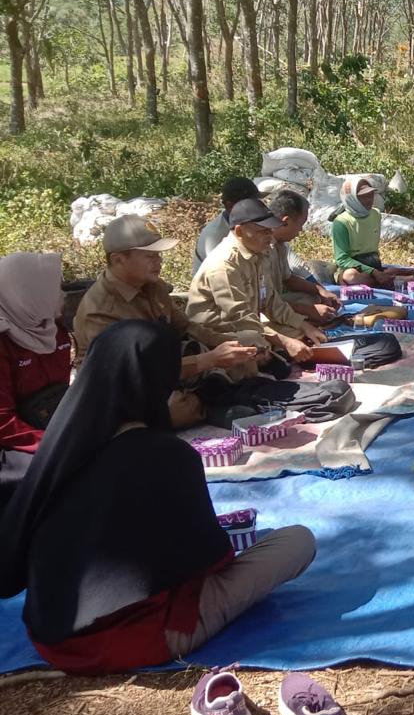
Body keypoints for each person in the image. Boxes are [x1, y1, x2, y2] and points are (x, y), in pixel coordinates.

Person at [0, 321, 315, 674]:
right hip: (135, 639)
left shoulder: (58, 449)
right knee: (297, 540)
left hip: (48, 636)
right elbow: (212, 562)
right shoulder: (169, 457)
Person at [74, 215, 260, 428]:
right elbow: (131, 373)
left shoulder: (153, 287)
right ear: (118, 260)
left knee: (242, 357)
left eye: (158, 255)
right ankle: (208, 403)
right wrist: (210, 360)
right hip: (123, 384)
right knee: (172, 409)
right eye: (150, 256)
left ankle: (206, 398)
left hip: (163, 367)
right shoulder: (100, 310)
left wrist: (232, 344)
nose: (159, 261)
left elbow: (187, 327)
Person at [186, 199, 328, 365]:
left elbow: (271, 302)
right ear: (239, 231)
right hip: (217, 331)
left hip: (247, 325)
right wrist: (284, 341)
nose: (270, 237)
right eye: (263, 232)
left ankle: (278, 356)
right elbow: (240, 318)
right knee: (254, 341)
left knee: (298, 331)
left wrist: (304, 326)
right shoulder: (224, 266)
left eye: (270, 231)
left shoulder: (258, 254)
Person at [0, 253, 72, 509]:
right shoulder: (4, 342)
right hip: (12, 441)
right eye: (57, 288)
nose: (63, 295)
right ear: (26, 292)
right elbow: (3, 423)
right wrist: (51, 444)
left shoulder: (53, 329)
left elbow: (61, 395)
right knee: (49, 473)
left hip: (44, 426)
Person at [267, 190, 341, 323]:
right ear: (286, 222)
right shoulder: (262, 248)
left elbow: (288, 278)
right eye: (300, 224)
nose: (301, 230)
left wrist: (320, 290)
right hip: (262, 310)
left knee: (313, 298)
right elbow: (263, 303)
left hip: (275, 302)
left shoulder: (280, 245)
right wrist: (309, 310)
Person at [194, 177, 260, 275]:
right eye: (249, 205)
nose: (255, 209)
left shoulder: (250, 223)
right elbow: (220, 273)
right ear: (230, 206)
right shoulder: (215, 234)